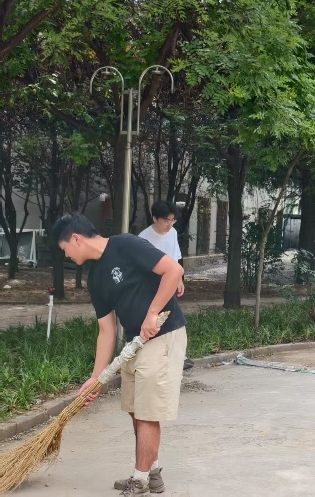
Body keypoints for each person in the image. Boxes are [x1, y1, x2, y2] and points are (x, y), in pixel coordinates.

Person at [53, 212, 186, 497]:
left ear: (76, 239)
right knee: (136, 409)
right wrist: (96, 379)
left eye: (65, 249)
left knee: (148, 412)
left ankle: (139, 480)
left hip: (163, 334)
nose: (66, 255)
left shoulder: (126, 244)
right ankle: (152, 473)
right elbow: (106, 330)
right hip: (134, 342)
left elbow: (174, 271)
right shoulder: (95, 278)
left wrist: (152, 313)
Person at [139, 201, 193, 371]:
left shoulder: (173, 233)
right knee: (153, 320)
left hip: (168, 283)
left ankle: (178, 356)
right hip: (150, 286)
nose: (169, 224)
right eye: (166, 220)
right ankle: (150, 357)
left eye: (172, 220)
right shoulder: (143, 238)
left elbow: (175, 257)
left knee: (173, 319)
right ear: (154, 218)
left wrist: (178, 279)